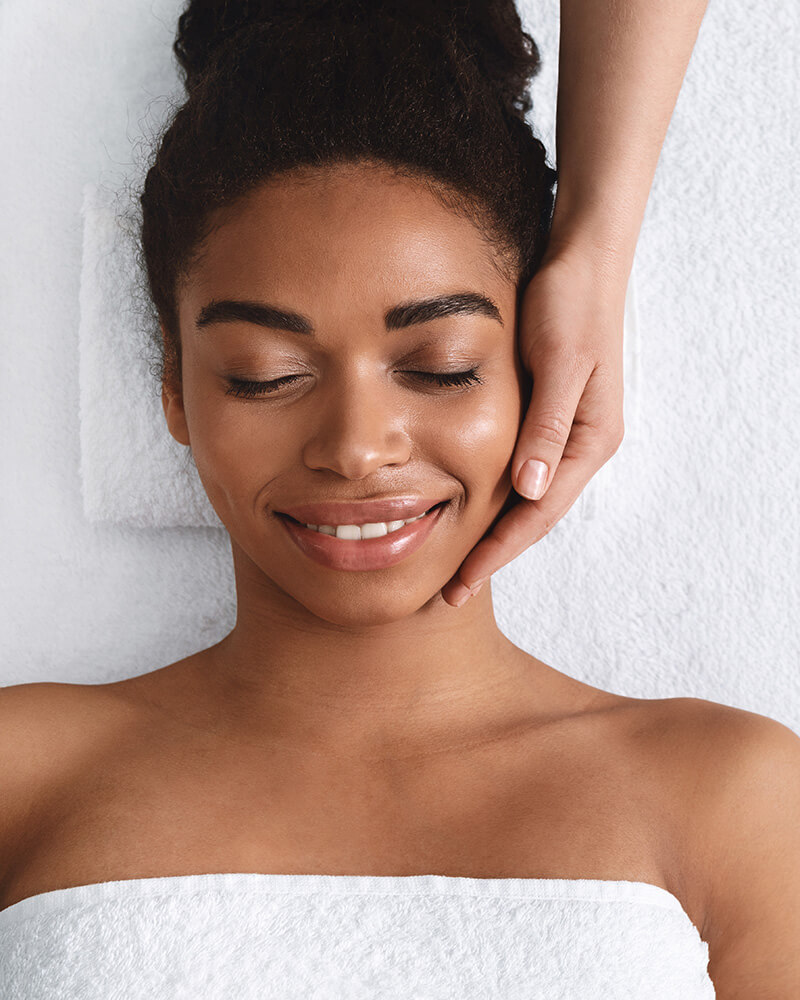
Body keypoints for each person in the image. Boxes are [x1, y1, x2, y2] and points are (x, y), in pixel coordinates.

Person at [0, 1, 798, 997]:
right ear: (173, 385)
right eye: (263, 372)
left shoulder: (729, 793)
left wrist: (596, 243)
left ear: (537, 367)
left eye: (440, 365)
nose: (354, 447)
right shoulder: (22, 774)